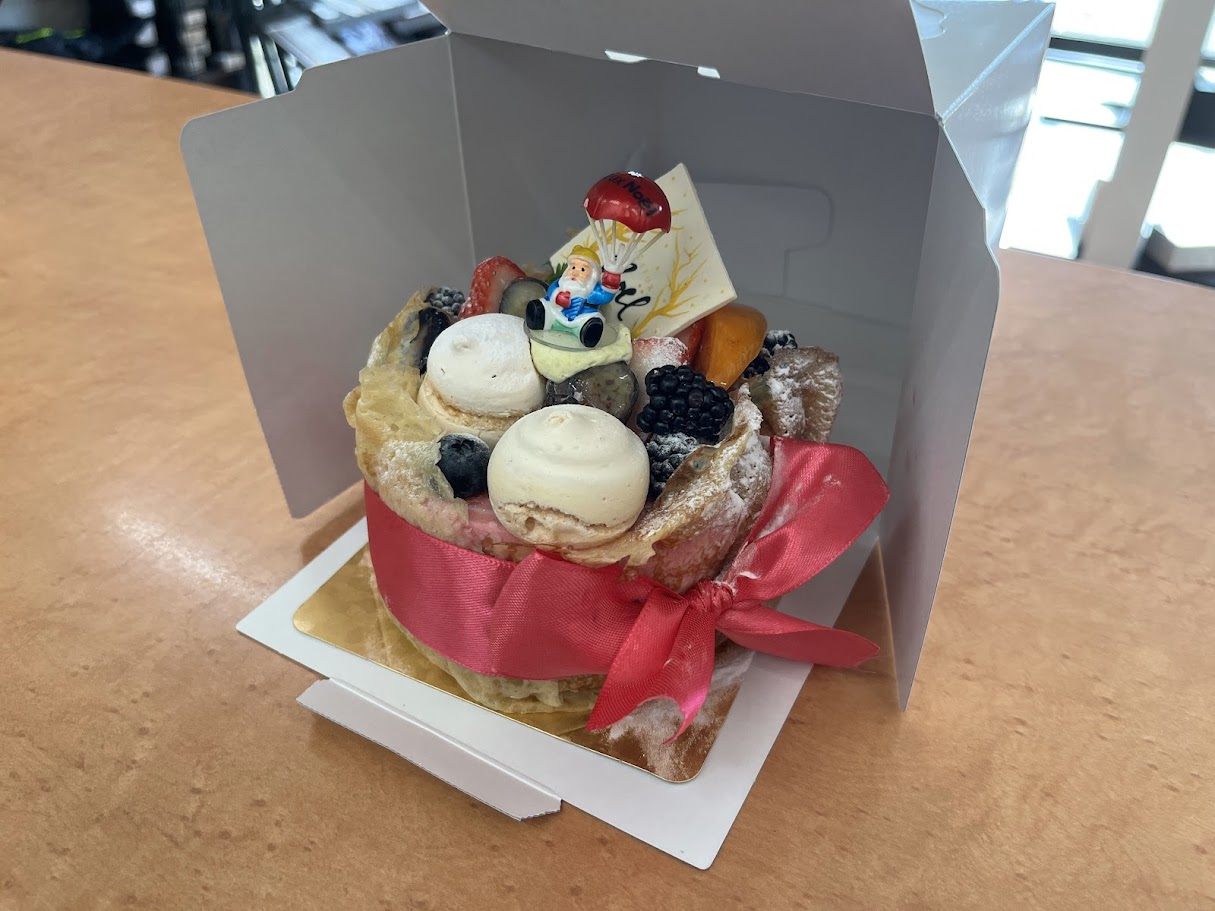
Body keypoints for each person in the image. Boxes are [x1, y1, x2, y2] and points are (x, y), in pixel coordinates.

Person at [526, 245, 618, 348]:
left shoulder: (592, 290)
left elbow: (605, 297)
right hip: (556, 314)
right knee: (543, 306)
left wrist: (612, 281)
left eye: (582, 269)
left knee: (591, 320)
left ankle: (587, 332)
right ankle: (540, 318)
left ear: (593, 274)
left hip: (581, 318)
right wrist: (557, 296)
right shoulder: (561, 283)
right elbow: (551, 290)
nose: (575, 273)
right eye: (573, 267)